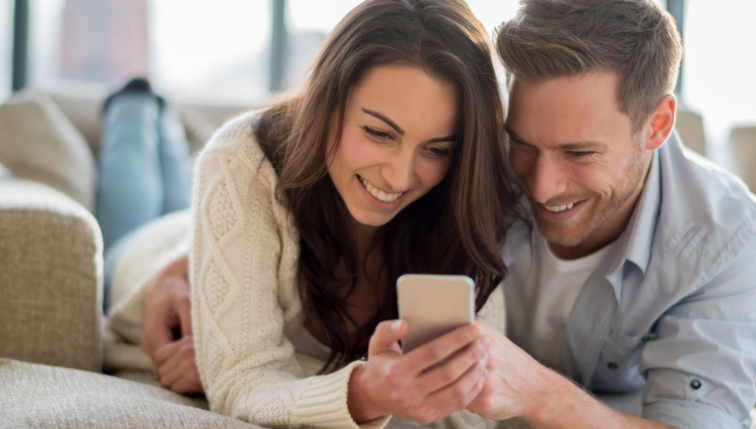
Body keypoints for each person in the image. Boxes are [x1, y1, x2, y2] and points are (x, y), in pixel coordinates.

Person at [110, 0, 524, 427]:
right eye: (379, 133)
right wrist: (363, 391)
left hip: (222, 232)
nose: (400, 178)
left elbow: (465, 419)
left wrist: (290, 380)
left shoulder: (463, 200)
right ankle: (135, 107)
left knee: (169, 182)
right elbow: (240, 384)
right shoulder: (239, 160)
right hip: (148, 253)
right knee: (133, 190)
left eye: (436, 149)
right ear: (327, 102)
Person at [463, 0, 756, 428]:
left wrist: (537, 393)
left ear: (657, 125)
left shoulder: (726, 239)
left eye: (579, 153)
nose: (543, 187)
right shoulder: (476, 170)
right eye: (523, 144)